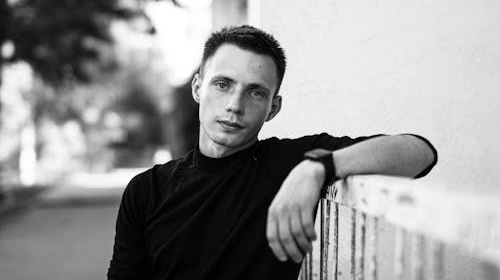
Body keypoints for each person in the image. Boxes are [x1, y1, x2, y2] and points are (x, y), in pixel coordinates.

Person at [107, 25, 437, 280]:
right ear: (198, 88)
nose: (235, 106)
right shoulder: (146, 190)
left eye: (255, 92)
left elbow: (420, 153)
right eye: (223, 84)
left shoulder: (288, 164)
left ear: (273, 108)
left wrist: (318, 168)